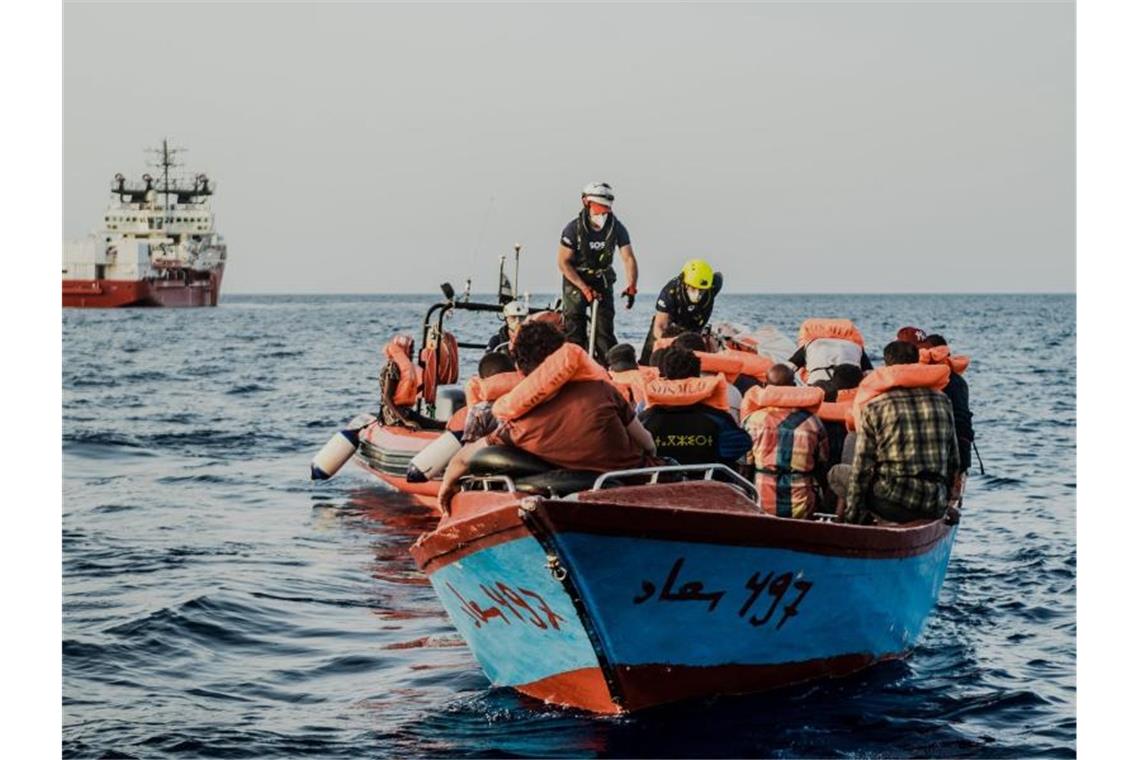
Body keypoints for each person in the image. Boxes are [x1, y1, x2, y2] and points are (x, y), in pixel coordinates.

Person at [438, 321, 656, 514]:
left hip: (556, 498)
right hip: (628, 494)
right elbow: (647, 444)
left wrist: (447, 483)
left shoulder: (517, 423)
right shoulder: (604, 391)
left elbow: (464, 458)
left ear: (519, 370)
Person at [833, 340, 959, 524]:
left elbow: (862, 468)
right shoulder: (943, 400)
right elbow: (953, 461)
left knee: (836, 473)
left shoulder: (876, 406)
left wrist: (853, 516)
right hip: (934, 502)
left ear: (887, 367)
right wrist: (945, 504)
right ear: (917, 363)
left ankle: (865, 522)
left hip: (894, 502)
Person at [556, 182, 639, 363]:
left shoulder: (616, 227)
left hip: (601, 278)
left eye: (605, 210)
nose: (602, 214)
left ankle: (607, 369)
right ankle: (572, 367)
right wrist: (584, 289)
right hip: (576, 279)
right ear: (586, 203)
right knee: (574, 327)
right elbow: (563, 263)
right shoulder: (572, 230)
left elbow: (628, 258)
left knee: (604, 330)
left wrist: (632, 285)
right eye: (599, 209)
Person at [638, 346, 752, 467]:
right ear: (698, 376)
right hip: (707, 482)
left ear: (663, 376)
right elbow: (741, 445)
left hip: (658, 482)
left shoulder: (645, 418)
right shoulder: (719, 418)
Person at [741, 364, 830, 518]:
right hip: (801, 504)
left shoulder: (752, 421)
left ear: (765, 387)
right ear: (794, 387)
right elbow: (822, 462)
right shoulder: (813, 423)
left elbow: (745, 467)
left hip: (761, 502)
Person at [640, 259, 724, 364]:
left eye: (701, 290)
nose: (697, 295)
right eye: (693, 289)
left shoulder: (714, 284)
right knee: (650, 356)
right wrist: (670, 343)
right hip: (671, 325)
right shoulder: (669, 292)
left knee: (693, 354)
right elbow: (660, 325)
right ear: (685, 284)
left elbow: (719, 276)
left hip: (694, 324)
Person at [786, 318, 873, 386]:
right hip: (849, 391)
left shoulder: (810, 345)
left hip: (817, 387)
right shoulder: (856, 347)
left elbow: (787, 369)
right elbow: (870, 374)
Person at [461, 352, 518, 443]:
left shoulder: (479, 411)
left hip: (486, 453)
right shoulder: (525, 404)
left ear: (484, 380)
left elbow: (468, 447)